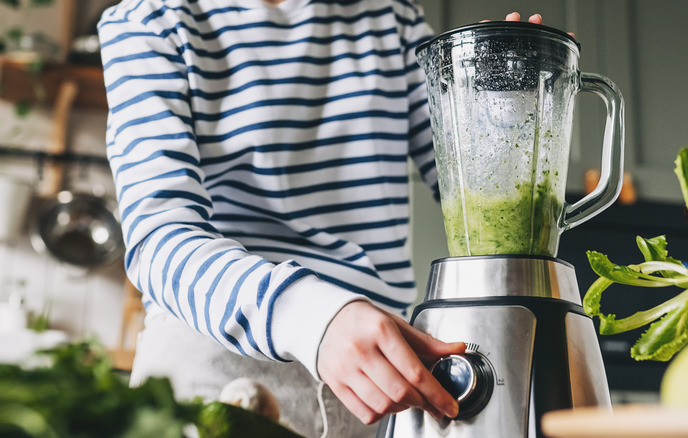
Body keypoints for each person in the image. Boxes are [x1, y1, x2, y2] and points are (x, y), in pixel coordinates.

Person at [97, 2, 543, 436]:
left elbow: (471, 181)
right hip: (214, 381)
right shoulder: (150, 22)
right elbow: (157, 237)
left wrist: (499, 98)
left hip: (379, 385)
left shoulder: (394, 20)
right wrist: (313, 319)